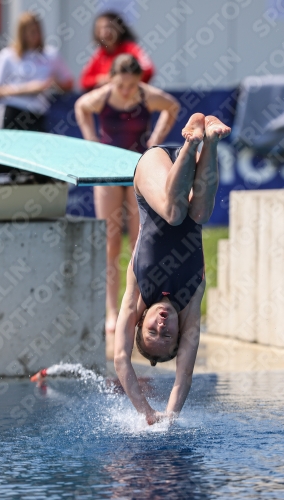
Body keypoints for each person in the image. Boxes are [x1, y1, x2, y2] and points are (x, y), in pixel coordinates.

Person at [114, 113, 231, 425]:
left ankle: (191, 142)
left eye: (152, 330)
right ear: (182, 333)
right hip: (183, 183)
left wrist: (147, 413)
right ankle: (210, 140)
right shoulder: (191, 301)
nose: (162, 326)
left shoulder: (136, 292)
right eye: (167, 335)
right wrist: (171, 417)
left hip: (152, 167)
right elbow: (185, 375)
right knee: (200, 212)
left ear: (140, 322)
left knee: (174, 212)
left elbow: (121, 359)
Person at [75, 54, 179, 339]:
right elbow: (81, 106)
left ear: (139, 82)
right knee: (110, 242)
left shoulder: (146, 96)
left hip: (137, 169)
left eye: (131, 86)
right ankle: (110, 310)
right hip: (107, 170)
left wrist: (155, 139)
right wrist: (91, 141)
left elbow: (172, 106)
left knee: (139, 242)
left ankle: (134, 305)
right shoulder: (104, 96)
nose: (126, 91)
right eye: (121, 86)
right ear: (112, 79)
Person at [0, 11, 73, 133]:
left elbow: (69, 83)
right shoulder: (7, 55)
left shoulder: (51, 54)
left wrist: (54, 83)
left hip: (38, 114)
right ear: (22, 33)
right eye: (31, 32)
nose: (35, 36)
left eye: (37, 31)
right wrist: (27, 89)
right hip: (11, 112)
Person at [80, 11, 154, 91]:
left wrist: (125, 81)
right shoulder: (99, 53)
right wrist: (100, 79)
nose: (105, 32)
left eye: (109, 27)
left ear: (119, 28)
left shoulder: (131, 48)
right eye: (100, 28)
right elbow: (84, 81)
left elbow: (148, 70)